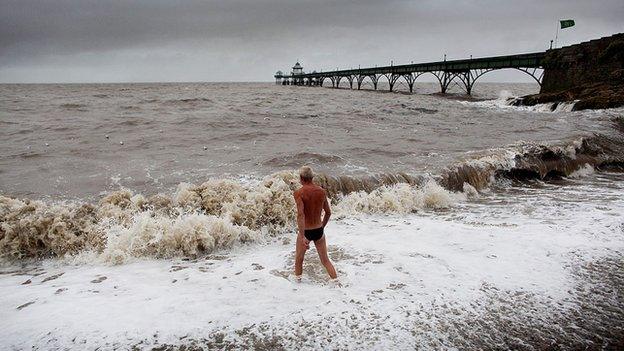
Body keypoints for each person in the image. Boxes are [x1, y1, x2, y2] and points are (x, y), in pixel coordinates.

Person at [293, 166, 337, 279]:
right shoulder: (321, 192)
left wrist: (303, 236)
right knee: (325, 261)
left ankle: (297, 286)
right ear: (312, 178)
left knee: (299, 260)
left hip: (306, 231)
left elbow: (301, 215)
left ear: (301, 178)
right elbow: (328, 212)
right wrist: (322, 227)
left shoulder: (299, 193)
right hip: (318, 230)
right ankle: (337, 283)